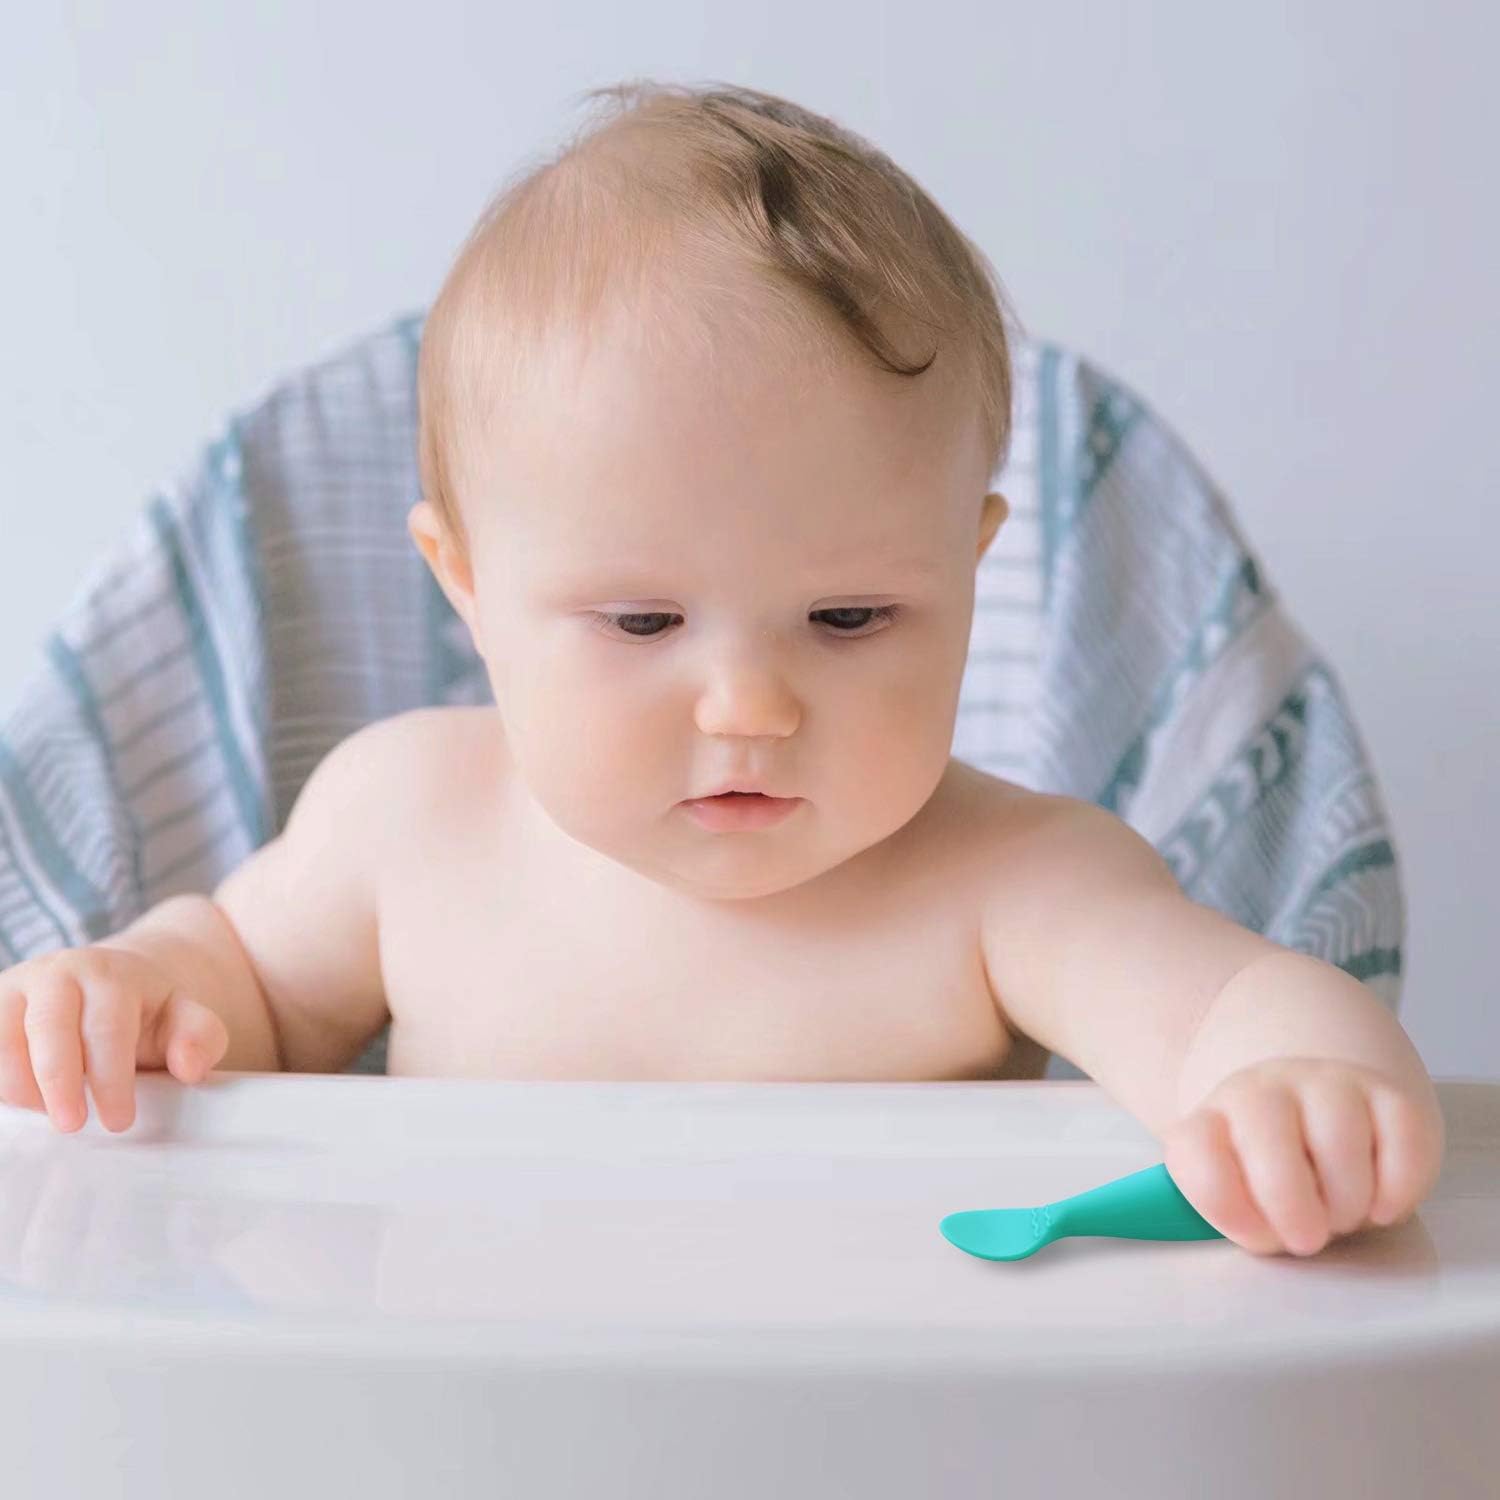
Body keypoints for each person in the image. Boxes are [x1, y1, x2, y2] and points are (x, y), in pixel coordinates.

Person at [0, 81, 1442, 1258]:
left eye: (850, 617)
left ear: (971, 571)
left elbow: (1232, 1008)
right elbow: (236, 986)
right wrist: (135, 992)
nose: (750, 708)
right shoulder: (407, 826)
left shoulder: (1013, 884)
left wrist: (1299, 1090)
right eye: (642, 624)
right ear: (467, 587)